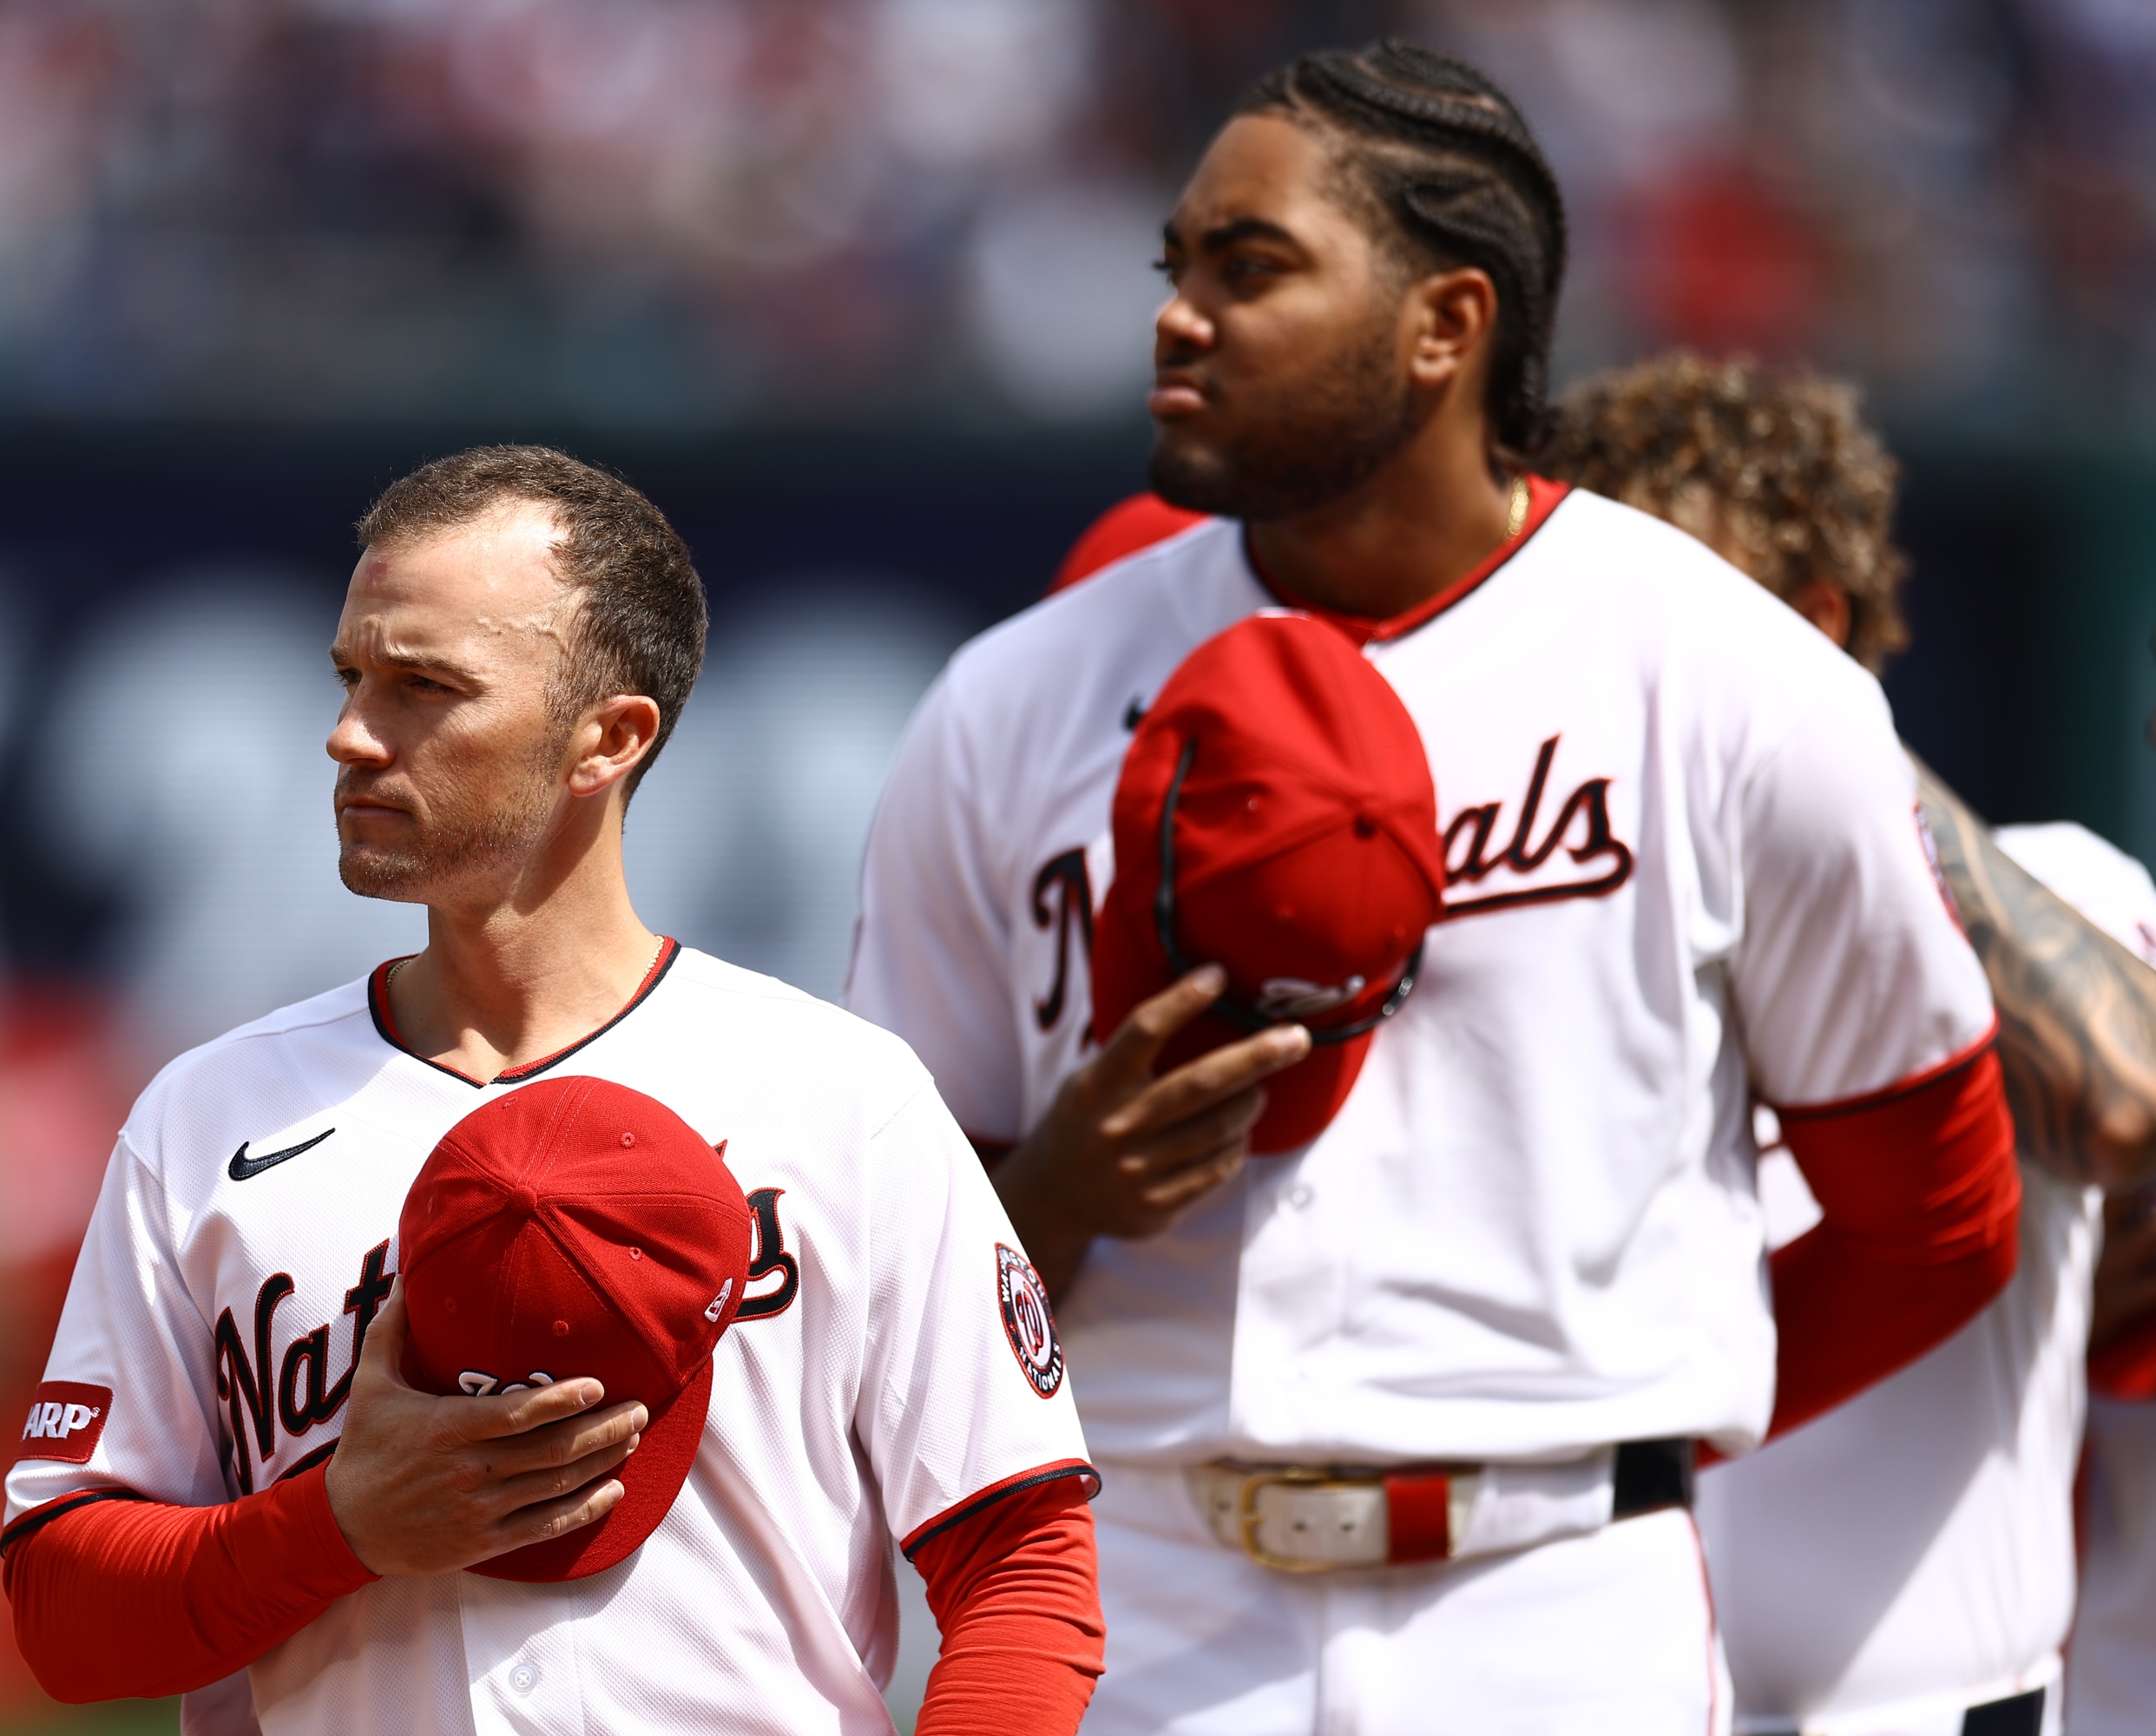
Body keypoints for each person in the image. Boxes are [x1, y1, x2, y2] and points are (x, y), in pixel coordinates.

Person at [846, 40, 2019, 1734]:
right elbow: (886, 1283)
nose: (1179, 317)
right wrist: (1063, 1197)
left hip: (1555, 1605)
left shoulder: (1728, 681)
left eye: (1251, 270)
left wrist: (1658, 1402)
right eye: (1175, 269)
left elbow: (1940, 1210)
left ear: (1446, 324)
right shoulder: (1007, 703)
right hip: (1146, 1586)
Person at [0, 446, 1103, 1735]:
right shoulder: (208, 1114)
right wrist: (339, 1526)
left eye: (426, 689)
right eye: (353, 677)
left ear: (608, 739)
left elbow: (1024, 1560)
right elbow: (64, 1614)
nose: (351, 734)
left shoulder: (840, 1095)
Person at [1548, 352, 2156, 1736]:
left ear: (1811, 627)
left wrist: (1817, 739)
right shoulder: (1538, 950)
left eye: (1664, 626)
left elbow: (2124, 1099)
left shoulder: (2053, 879)